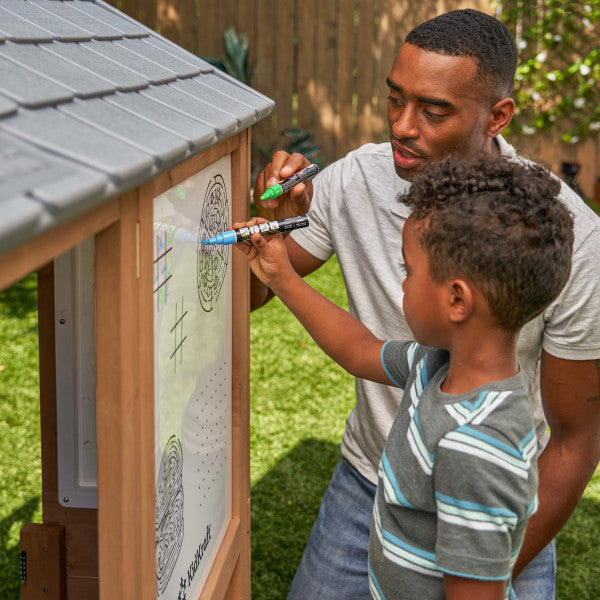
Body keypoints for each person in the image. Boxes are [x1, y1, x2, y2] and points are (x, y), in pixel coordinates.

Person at [252, 8, 600, 600]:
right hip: (374, 482)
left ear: (498, 116)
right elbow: (352, 344)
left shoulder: (574, 239)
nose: (402, 126)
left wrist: (484, 570)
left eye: (433, 110)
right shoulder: (425, 359)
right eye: (395, 99)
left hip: (499, 506)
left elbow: (574, 440)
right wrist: (274, 233)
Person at [238, 154, 574, 599]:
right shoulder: (438, 365)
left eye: (408, 271)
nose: (402, 284)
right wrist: (280, 275)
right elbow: (361, 350)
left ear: (458, 300)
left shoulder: (476, 447)